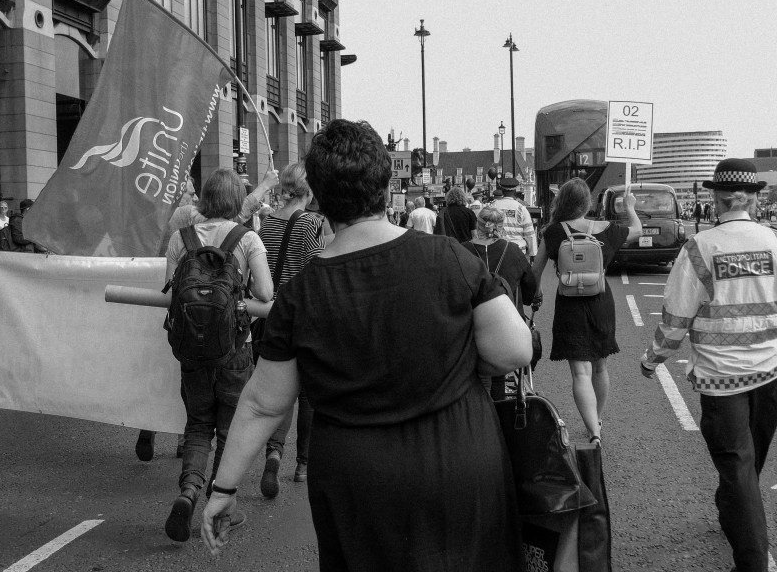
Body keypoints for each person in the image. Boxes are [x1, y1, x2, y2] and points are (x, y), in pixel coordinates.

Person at [199, 120, 529, 570]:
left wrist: (224, 488)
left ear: (317, 194)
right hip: (457, 460)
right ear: (385, 183)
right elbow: (515, 350)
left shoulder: (301, 294)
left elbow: (262, 404)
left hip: (357, 481)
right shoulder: (450, 258)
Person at [638, 158, 777, 572]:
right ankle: (734, 509)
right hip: (772, 373)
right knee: (748, 461)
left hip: (721, 381)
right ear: (754, 198)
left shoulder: (699, 248)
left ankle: (751, 561)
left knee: (737, 465)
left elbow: (676, 318)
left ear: (715, 199)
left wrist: (653, 360)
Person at [163, 168, 273, 543]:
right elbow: (266, 292)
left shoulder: (181, 238)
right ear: (236, 201)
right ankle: (221, 499)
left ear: (206, 199)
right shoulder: (247, 238)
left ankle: (188, 492)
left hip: (192, 350)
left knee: (197, 426)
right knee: (229, 427)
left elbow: (170, 292)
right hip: (234, 348)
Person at [531, 178, 642, 444]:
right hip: (601, 302)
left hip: (569, 305)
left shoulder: (553, 232)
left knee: (580, 372)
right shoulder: (607, 229)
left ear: (563, 202)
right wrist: (629, 206)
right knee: (600, 366)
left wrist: (536, 295)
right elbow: (637, 229)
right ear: (587, 203)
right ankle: (597, 418)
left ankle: (593, 430)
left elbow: (535, 271)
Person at [256, 162, 325, 496]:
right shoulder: (311, 224)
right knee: (307, 394)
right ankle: (302, 464)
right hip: (303, 317)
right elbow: (318, 272)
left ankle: (273, 451)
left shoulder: (267, 224)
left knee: (280, 391)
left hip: (271, 316)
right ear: (308, 190)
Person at [462, 206, 539, 399]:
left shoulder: (462, 250)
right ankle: (498, 410)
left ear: (478, 226)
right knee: (498, 375)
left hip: (470, 327)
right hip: (507, 326)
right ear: (501, 226)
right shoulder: (512, 251)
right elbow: (530, 292)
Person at [493, 177, 537, 258]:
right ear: (515, 191)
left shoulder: (493, 206)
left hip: (498, 250)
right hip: (518, 251)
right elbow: (529, 233)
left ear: (502, 191)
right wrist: (532, 254)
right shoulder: (521, 208)